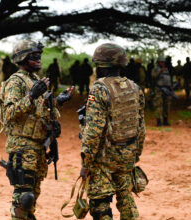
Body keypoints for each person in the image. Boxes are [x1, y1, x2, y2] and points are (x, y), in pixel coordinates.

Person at [0, 40, 74, 220]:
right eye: (34, 56)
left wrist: (57, 102)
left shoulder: (34, 81)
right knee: (23, 199)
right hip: (23, 148)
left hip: (38, 148)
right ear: (23, 58)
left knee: (31, 201)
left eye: (40, 55)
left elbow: (38, 112)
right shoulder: (15, 82)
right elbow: (9, 113)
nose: (39, 59)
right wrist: (32, 95)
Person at [79, 43, 145, 220]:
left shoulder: (99, 89)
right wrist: (135, 154)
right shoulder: (135, 88)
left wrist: (86, 162)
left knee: (99, 202)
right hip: (128, 153)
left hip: (104, 157)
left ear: (101, 66)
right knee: (125, 197)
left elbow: (93, 132)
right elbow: (140, 126)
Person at [152, 56, 172, 126]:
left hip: (166, 89)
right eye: (161, 62)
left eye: (163, 62)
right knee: (159, 105)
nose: (163, 63)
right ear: (158, 62)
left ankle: (165, 120)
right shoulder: (155, 69)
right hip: (159, 89)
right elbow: (153, 77)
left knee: (166, 105)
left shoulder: (166, 69)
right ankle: (159, 121)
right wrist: (160, 72)